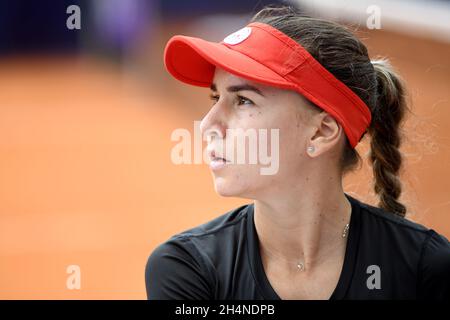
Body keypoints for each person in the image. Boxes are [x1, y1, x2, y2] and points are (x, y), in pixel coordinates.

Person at [145, 5, 450, 300]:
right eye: (216, 97)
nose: (208, 124)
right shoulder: (188, 269)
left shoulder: (427, 268)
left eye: (244, 100)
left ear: (321, 131)